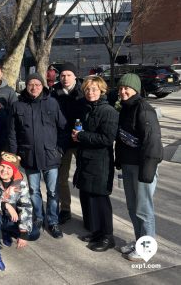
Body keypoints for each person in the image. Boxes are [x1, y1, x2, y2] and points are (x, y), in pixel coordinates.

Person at [8, 73, 66, 239]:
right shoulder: (18, 105)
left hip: (50, 156)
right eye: (31, 84)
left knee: (53, 191)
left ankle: (53, 221)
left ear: (43, 86)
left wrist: (60, 149)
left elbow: (63, 127)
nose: (34, 88)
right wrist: (15, 156)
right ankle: (38, 217)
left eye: (38, 84)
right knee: (34, 190)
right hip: (29, 155)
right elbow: (12, 133)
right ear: (26, 86)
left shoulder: (52, 103)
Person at [115, 73, 163, 261]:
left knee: (144, 210)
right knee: (132, 207)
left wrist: (148, 170)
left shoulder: (144, 109)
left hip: (143, 168)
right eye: (120, 88)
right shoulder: (126, 108)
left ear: (135, 89)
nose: (123, 91)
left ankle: (147, 248)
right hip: (128, 166)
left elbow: (153, 142)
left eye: (127, 88)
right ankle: (139, 241)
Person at [72, 76, 119, 252]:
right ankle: (97, 232)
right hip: (86, 160)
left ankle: (108, 236)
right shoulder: (87, 109)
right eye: (87, 90)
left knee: (100, 199)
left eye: (94, 89)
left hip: (100, 162)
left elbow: (107, 138)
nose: (90, 92)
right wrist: (78, 136)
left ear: (102, 91)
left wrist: (81, 136)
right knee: (89, 196)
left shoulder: (108, 111)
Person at [0, 152, 33, 271]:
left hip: (10, 218)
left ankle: (6, 231)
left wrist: (24, 232)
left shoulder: (22, 183)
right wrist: (5, 205)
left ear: (14, 170)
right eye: (2, 166)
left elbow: (26, 205)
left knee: (33, 234)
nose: (4, 170)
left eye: (9, 168)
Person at [51, 62, 83, 225]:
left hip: (81, 141)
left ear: (75, 76)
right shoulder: (54, 92)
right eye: (62, 75)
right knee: (61, 178)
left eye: (69, 75)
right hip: (62, 141)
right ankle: (65, 209)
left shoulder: (84, 90)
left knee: (85, 177)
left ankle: (88, 211)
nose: (65, 78)